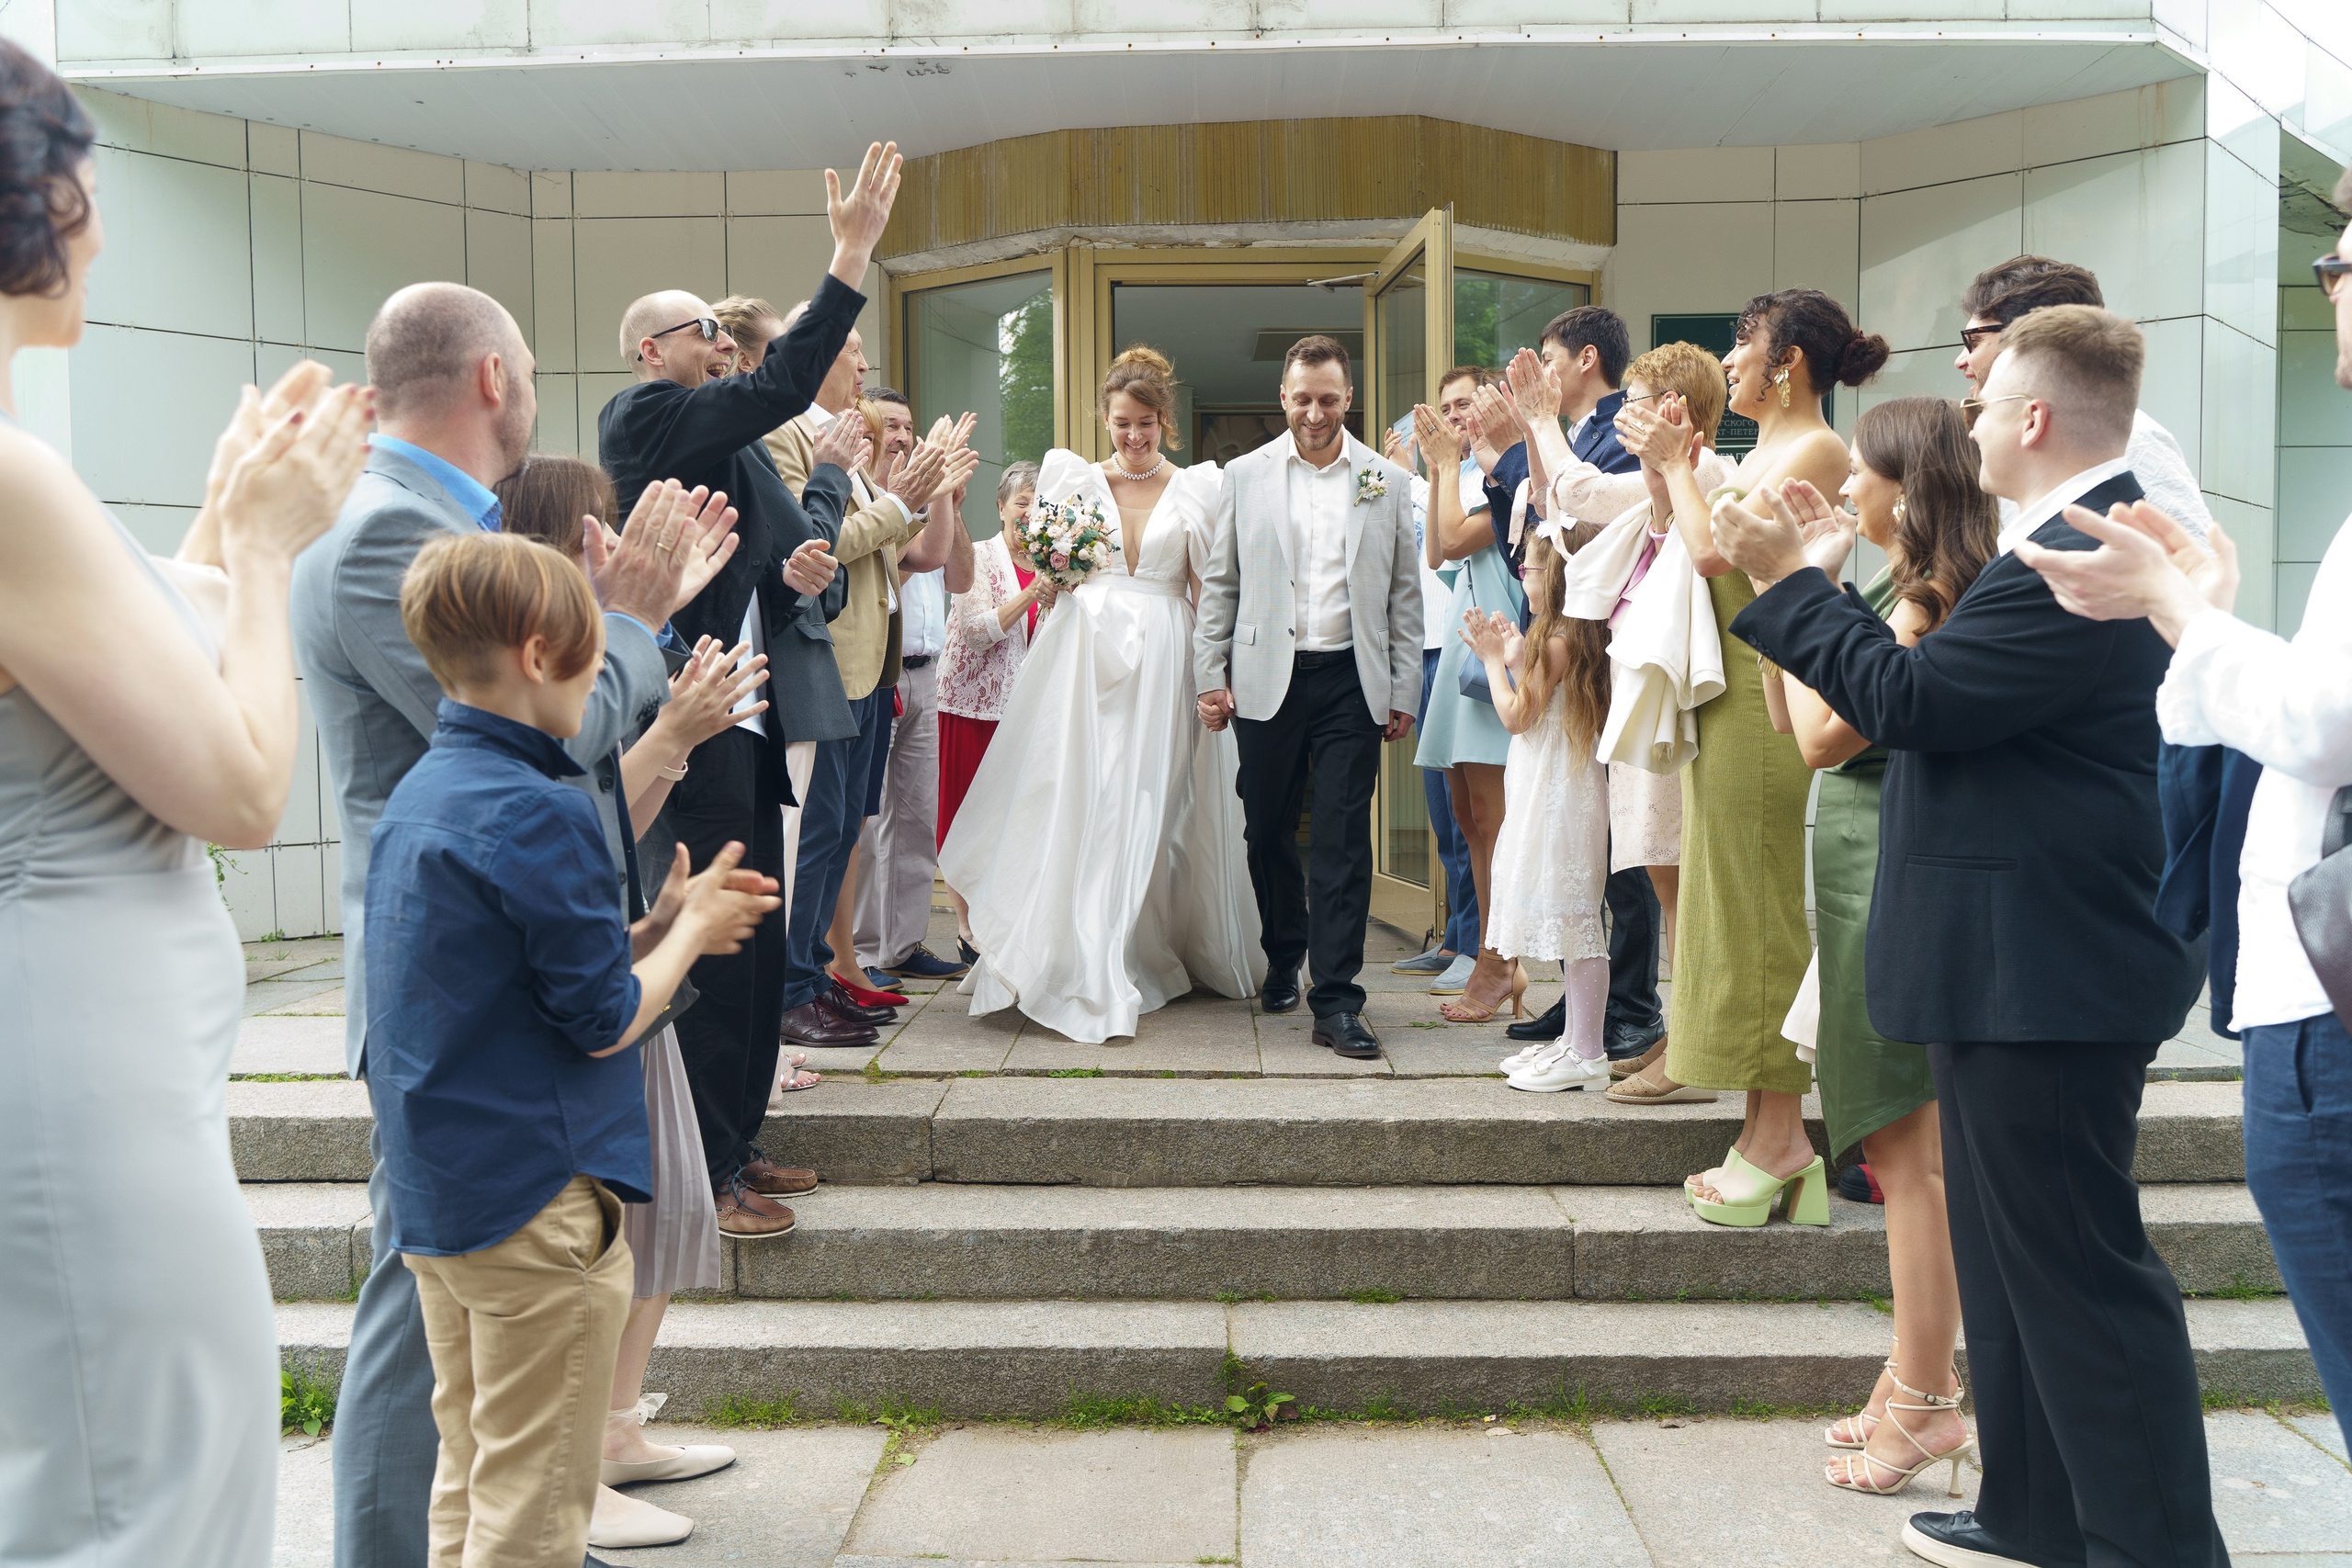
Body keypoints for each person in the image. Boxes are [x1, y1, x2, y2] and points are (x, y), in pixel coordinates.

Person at [1716, 304, 2217, 1568]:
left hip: (2050, 966)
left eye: (1989, 400)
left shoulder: (2079, 549)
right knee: (2010, 1263)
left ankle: (2152, 1545)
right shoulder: (2053, 538)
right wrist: (1823, 581)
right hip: (2012, 957)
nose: (1970, 416)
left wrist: (1788, 580)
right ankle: (2033, 1513)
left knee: (2080, 1276)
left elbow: (1906, 699)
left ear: (2037, 419)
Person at [0, 47, 369, 1557]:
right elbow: (235, 781)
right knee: (151, 1490)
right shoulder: (11, 479)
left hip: (96, 1048)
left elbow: (103, 668)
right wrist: (274, 553)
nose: (96, 217)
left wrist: (224, 513)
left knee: (129, 1465)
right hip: (81, 1066)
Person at [295, 283, 721, 1568]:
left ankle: (512, 1530)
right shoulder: (389, 538)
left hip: (487, 966)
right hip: (451, 993)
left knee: (462, 1355)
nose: (536, 384)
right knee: (416, 1321)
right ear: (491, 377)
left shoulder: (443, 526)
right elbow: (542, 743)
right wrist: (634, 623)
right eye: (530, 364)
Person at [2011, 175, 2352, 1450]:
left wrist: (2179, 609)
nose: (2328, 281)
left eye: (2345, 256)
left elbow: (2326, 724)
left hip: (2334, 1003)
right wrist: (2205, 611)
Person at [368, 531, 778, 1568]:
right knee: (536, 1518)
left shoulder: (424, 789)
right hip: (534, 1199)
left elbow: (512, 976)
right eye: (600, 657)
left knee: (469, 1483)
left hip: (444, 1198)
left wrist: (647, 928)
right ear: (545, 653)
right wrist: (687, 937)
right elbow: (601, 1019)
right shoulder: (540, 805)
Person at [595, 142, 899, 1224]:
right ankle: (705, 1173)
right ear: (649, 350)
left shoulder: (714, 434)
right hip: (684, 715)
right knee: (713, 943)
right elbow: (778, 386)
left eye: (724, 335)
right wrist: (849, 254)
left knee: (759, 936)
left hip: (747, 707)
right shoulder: (644, 416)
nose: (723, 346)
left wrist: (800, 563)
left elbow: (773, 546)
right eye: (704, 334)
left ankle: (739, 1138)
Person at [492, 454, 766, 1550]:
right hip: (591, 970)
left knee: (659, 1203)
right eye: (598, 528)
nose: (615, 544)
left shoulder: (595, 645)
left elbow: (614, 805)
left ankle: (611, 1432)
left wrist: (678, 728)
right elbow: (583, 805)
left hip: (626, 935)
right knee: (600, 1228)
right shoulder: (538, 669)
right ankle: (572, 1472)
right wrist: (673, 732)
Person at [1758, 399, 1996, 1495]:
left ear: (1905, 487)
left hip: (1880, 876)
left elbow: (1816, 739)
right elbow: (1787, 716)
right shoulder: (1887, 592)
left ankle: (1928, 1399)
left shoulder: (1923, 601)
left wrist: (1790, 581)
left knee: (1909, 1162)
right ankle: (1912, 1381)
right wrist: (1790, 592)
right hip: (1857, 869)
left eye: (1862, 472)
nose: (1846, 484)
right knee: (1904, 1158)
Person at [1606, 289, 1882, 1175]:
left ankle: (1781, 1136)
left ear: (1788, 361)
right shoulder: (1768, 445)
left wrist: (1679, 464)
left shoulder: (1818, 445)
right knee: (1728, 900)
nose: (1730, 363)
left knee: (1758, 905)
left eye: (1743, 344)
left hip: (1772, 698)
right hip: (1735, 695)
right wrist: (1675, 467)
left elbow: (1713, 552)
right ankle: (1765, 1127)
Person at [944, 346, 1264, 1042]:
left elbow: (1208, 592)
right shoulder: (1072, 479)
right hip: (1085, 656)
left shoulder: (1200, 487)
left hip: (1167, 654)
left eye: (1146, 422)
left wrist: (1215, 678)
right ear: (1106, 418)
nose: (1134, 435)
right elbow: (1050, 577)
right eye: (1122, 422)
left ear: (1164, 421)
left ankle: (1133, 945)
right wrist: (1055, 572)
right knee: (1083, 795)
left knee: (1149, 800)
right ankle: (1074, 951)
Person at [1198, 334, 1423, 1060]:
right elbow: (1222, 584)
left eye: (1328, 399)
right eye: (1303, 398)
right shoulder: (1245, 475)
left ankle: (1337, 999)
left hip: (1350, 680)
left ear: (1348, 398)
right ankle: (1283, 949)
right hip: (1266, 677)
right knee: (1265, 829)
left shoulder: (1384, 479)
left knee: (1340, 840)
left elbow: (1402, 594)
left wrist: (1403, 686)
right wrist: (1211, 674)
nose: (1315, 412)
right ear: (1284, 399)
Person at [1476, 308, 1672, 1072]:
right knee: (1582, 883)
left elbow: (1576, 521)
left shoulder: (1621, 430)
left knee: (1614, 872)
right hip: (1561, 628)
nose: (1539, 375)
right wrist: (1508, 456)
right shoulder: (1566, 428)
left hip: (1596, 647)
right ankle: (1582, 1015)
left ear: (1586, 357)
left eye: (1547, 358)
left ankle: (1626, 1010)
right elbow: (1531, 529)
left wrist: (1527, 435)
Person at [765, 332, 974, 1039]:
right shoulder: (790, 439)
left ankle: (818, 974)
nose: (862, 364)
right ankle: (796, 988)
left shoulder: (843, 448)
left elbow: (904, 553)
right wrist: (896, 500)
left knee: (844, 829)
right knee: (819, 833)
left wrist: (915, 494)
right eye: (850, 350)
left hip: (867, 667)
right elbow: (814, 543)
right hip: (828, 664)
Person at [1461, 516, 1613, 1090]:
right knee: (1573, 918)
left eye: (1530, 562)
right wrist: (1513, 653)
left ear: (1556, 575)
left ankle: (1589, 1051)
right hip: (1549, 781)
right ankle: (1574, 1041)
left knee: (1578, 921)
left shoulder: (1560, 638)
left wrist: (1493, 663)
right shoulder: (1563, 634)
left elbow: (1518, 715)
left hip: (1560, 789)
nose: (1521, 569)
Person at [1955, 255, 2212, 546]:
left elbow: (2193, 559)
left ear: (2031, 336)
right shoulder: (2008, 438)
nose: (1961, 361)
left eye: (1973, 341)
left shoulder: (2131, 437)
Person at [1408, 372, 1521, 1015]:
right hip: (1464, 640)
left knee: (1494, 813)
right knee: (1467, 810)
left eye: (1466, 404)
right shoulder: (1462, 476)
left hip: (1496, 640)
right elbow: (1435, 555)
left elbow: (1455, 538)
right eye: (1446, 407)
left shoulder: (1508, 473)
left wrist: (1447, 466)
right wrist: (1438, 473)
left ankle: (1501, 960)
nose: (1455, 416)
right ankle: (1486, 948)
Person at [936, 460, 1058, 962]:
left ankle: (1005, 920)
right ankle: (966, 929)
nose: (1029, 513)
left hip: (1025, 714)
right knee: (964, 813)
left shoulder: (1059, 565)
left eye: (1039, 504)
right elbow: (974, 631)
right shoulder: (979, 556)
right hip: (971, 707)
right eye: (1022, 502)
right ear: (1002, 506)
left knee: (1012, 820)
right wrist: (1031, 592)